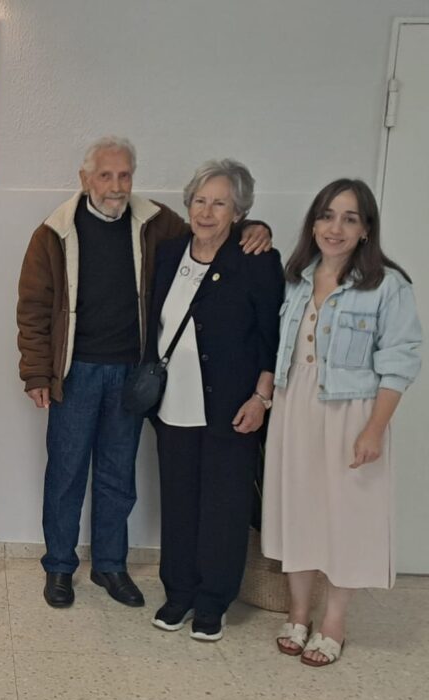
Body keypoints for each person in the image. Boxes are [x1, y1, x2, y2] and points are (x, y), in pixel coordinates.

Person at [16, 136, 272, 610]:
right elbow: (32, 307)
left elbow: (211, 231)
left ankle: (110, 565)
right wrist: (35, 373)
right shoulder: (53, 233)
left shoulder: (156, 224)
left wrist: (256, 227)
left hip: (133, 375)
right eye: (105, 175)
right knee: (66, 474)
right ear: (85, 179)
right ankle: (59, 566)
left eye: (125, 175)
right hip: (74, 375)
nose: (116, 186)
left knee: (118, 476)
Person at [262, 179, 421, 666]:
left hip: (351, 411)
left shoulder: (388, 286)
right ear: (314, 223)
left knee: (348, 515)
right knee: (299, 508)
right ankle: (298, 613)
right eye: (327, 215)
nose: (336, 227)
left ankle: (334, 622)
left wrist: (374, 429)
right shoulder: (295, 279)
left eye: (350, 219)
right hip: (295, 405)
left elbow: (400, 361)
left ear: (366, 229)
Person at [146, 160, 283, 641]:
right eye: (200, 201)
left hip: (232, 408)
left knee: (224, 507)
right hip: (171, 406)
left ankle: (213, 602)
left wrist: (261, 398)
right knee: (178, 502)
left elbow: (272, 339)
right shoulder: (168, 253)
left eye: (220, 203)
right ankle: (179, 592)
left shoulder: (257, 259)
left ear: (238, 212)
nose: (206, 212)